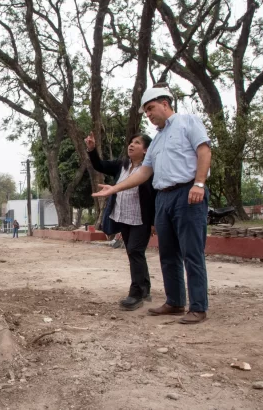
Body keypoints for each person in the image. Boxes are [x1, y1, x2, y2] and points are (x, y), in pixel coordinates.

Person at [93, 84, 212, 324]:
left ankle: (198, 306)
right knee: (167, 253)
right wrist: (115, 188)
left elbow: (204, 150)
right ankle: (175, 302)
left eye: (150, 109)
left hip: (187, 193)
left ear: (165, 104)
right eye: (146, 111)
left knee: (191, 252)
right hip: (163, 198)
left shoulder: (189, 122)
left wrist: (199, 183)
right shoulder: (157, 141)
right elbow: (144, 172)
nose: (148, 114)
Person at [86, 131, 156, 311]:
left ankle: (136, 294)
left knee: (134, 251)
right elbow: (99, 165)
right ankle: (145, 287)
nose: (131, 145)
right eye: (131, 141)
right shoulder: (121, 165)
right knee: (135, 252)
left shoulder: (150, 169)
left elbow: (154, 195)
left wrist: (154, 221)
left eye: (137, 143)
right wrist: (92, 149)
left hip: (141, 218)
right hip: (123, 217)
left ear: (146, 150)